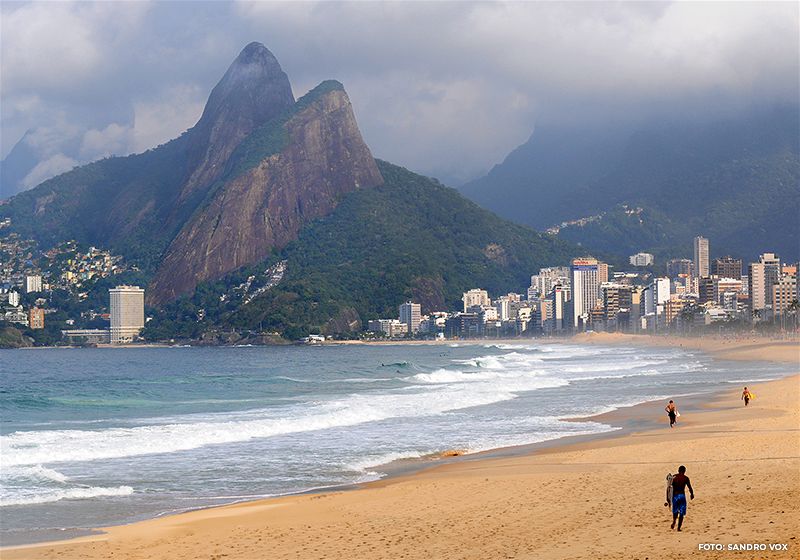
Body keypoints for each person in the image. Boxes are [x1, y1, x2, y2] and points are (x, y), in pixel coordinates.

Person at [665, 465, 694, 531]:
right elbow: (689, 487)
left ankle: (674, 520)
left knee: (675, 511)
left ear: (678, 470)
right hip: (682, 496)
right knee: (681, 512)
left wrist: (668, 498)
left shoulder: (674, 477)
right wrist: (692, 494)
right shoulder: (686, 478)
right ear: (684, 471)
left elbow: (669, 487)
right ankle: (679, 528)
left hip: (675, 496)